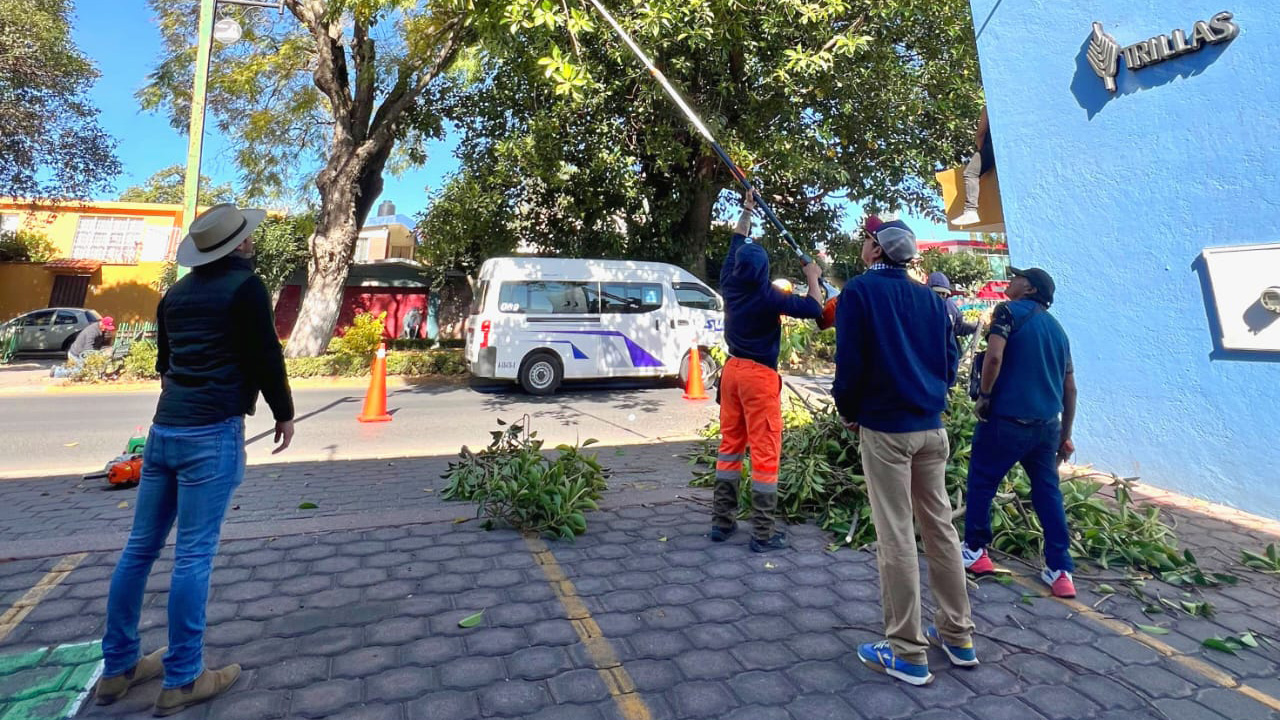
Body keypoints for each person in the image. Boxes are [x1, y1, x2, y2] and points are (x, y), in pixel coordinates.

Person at [95, 203, 296, 716]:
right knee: (193, 555)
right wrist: (284, 412)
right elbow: (265, 354)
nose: (251, 243)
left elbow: (165, 367)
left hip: (164, 430)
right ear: (240, 246)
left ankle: (117, 670)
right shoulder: (246, 288)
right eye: (247, 239)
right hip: (212, 433)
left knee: (139, 549)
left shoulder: (176, 294)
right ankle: (183, 678)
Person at [832, 218, 976, 686]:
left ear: (875, 249)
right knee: (940, 531)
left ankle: (907, 651)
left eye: (865, 241)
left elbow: (850, 362)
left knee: (896, 535)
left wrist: (849, 410)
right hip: (931, 430)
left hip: (887, 431)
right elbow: (950, 366)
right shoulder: (933, 302)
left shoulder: (859, 293)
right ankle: (958, 636)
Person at [712, 192, 824, 552]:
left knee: (730, 447)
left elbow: (736, 240)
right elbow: (814, 308)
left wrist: (747, 208)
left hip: (731, 373)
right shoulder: (769, 296)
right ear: (763, 271)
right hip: (758, 377)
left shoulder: (730, 280)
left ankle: (722, 524)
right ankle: (762, 533)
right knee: (764, 452)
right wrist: (813, 275)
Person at [961, 267, 1078, 598]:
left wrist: (984, 396)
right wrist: (1064, 435)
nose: (1009, 281)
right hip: (1046, 427)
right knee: (1047, 493)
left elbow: (994, 358)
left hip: (1006, 421)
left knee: (982, 482)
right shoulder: (1058, 331)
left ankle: (975, 552)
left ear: (1028, 288)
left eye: (1016, 278)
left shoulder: (1007, 312)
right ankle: (1060, 570)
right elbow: (1070, 388)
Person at [951, 106, 993, 227]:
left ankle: (970, 210)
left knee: (970, 173)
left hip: (992, 147)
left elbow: (981, 133)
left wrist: (981, 152)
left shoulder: (988, 107)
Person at [52, 315, 116, 378]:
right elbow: (88, 349)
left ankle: (59, 368)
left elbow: (101, 345)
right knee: (81, 371)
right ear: (102, 324)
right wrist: (95, 359)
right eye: (106, 327)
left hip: (82, 353)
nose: (107, 329)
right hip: (76, 354)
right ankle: (56, 372)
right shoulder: (92, 331)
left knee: (84, 369)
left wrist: (107, 348)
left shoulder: (102, 330)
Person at [928, 272, 979, 340]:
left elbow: (959, 327)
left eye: (943, 294)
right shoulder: (922, 307)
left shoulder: (950, 306)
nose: (940, 296)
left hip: (947, 347)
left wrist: (977, 325)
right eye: (937, 293)